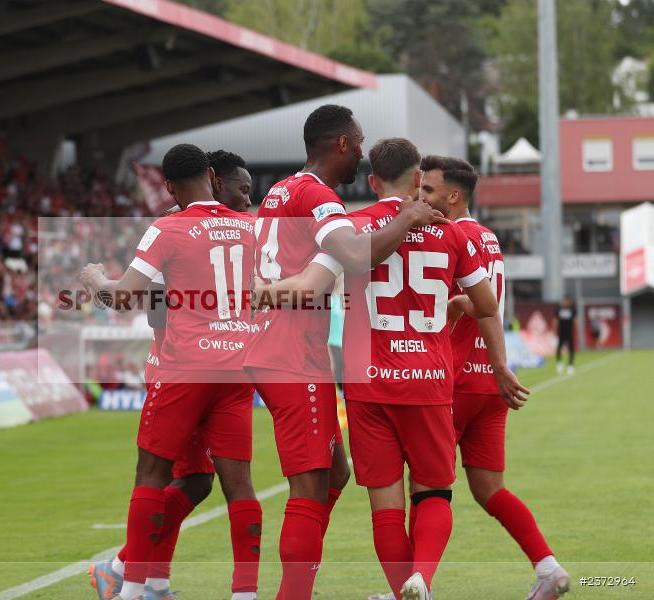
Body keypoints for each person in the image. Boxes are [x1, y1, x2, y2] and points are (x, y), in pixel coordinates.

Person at [258, 138, 497, 600]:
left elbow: (309, 286)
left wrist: (259, 291)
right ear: (416, 181)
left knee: (384, 505)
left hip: (368, 383)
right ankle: (421, 579)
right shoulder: (451, 231)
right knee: (433, 492)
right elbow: (487, 305)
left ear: (371, 181)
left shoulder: (354, 229)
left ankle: (403, 588)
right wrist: (454, 304)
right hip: (428, 379)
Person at [243, 107, 446, 600]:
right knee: (309, 486)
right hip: (294, 354)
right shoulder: (320, 197)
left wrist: (267, 292)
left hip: (274, 347)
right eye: (357, 142)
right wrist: (410, 216)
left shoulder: (282, 190)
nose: (361, 150)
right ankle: (293, 594)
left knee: (337, 470)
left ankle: (301, 576)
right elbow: (355, 256)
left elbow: (314, 275)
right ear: (340, 144)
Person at [80, 144, 261, 600]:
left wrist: (94, 282)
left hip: (181, 370)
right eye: (244, 190)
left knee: (154, 475)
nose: (247, 197)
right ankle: (236, 592)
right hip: (237, 371)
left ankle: (129, 585)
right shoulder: (252, 229)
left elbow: (133, 302)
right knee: (227, 484)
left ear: (169, 186)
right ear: (215, 179)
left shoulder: (167, 229)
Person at [426, 154, 571, 600]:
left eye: (429, 190)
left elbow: (470, 303)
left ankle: (413, 587)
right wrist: (499, 365)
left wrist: (448, 308)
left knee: (428, 488)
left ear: (454, 195)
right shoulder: (487, 237)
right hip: (488, 380)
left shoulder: (450, 236)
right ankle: (548, 568)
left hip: (453, 381)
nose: (420, 196)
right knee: (489, 488)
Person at [553, 296, 576, 375]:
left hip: (569, 332)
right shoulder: (559, 309)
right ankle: (559, 364)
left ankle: (570, 365)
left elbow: (575, 320)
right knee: (559, 347)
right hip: (561, 332)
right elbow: (555, 320)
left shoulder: (572, 309)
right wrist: (555, 330)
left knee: (571, 348)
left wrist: (576, 330)